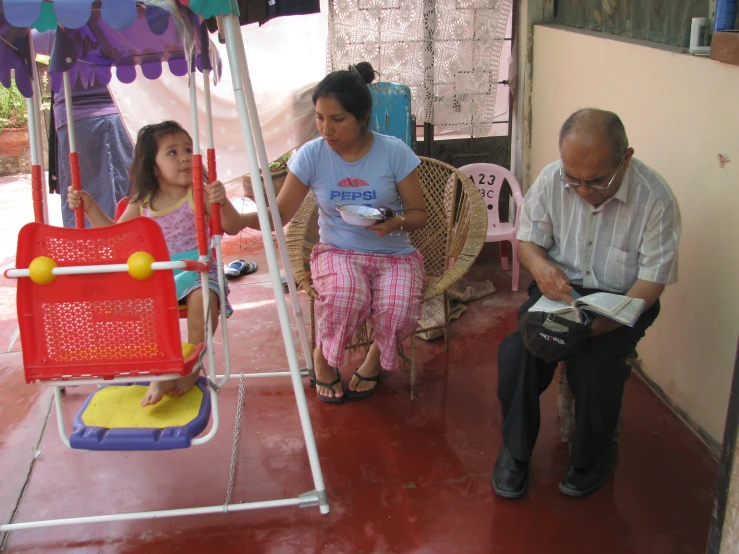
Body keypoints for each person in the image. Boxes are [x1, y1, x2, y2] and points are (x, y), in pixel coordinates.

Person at [492, 108, 682, 499]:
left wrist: (597, 328)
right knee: (520, 353)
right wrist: (541, 269)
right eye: (572, 178)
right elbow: (528, 243)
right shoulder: (550, 179)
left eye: (595, 180)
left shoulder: (655, 198)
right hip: (560, 290)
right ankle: (515, 450)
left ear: (625, 158)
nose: (581, 190)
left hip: (622, 299)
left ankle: (590, 457)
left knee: (596, 367)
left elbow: (651, 282)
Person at [238, 61, 427, 403]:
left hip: (394, 253)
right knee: (346, 296)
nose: (326, 129)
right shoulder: (312, 155)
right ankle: (323, 358)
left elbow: (418, 214)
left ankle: (374, 357)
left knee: (398, 308)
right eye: (320, 118)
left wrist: (395, 222)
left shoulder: (394, 152)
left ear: (363, 116)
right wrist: (237, 219)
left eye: (338, 119)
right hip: (338, 252)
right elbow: (281, 212)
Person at [67, 121, 245, 406]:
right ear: (153, 167)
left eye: (188, 149)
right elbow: (116, 238)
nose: (185, 157)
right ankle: (164, 366)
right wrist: (90, 207)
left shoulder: (198, 193)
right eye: (172, 153)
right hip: (159, 274)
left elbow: (233, 227)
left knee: (202, 302)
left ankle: (193, 365)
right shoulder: (144, 201)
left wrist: (221, 203)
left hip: (197, 268)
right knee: (140, 308)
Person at [33, 30, 134, 228]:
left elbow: (26, 40)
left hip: (76, 120)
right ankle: (119, 242)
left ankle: (89, 246)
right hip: (115, 114)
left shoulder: (56, 30)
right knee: (120, 190)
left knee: (79, 192)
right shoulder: (110, 26)